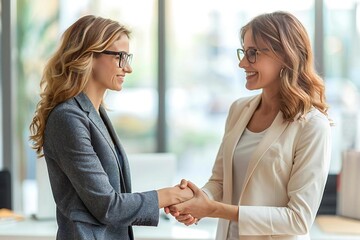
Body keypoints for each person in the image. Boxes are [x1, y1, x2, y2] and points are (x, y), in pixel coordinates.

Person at [166, 11, 332, 240]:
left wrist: (213, 209)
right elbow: (219, 181)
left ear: (285, 55)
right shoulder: (238, 109)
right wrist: (197, 200)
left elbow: (299, 219)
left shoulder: (312, 126)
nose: (242, 63)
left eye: (253, 53)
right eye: (244, 52)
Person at [29, 15, 193, 240]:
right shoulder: (68, 118)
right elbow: (108, 206)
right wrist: (170, 195)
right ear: (89, 55)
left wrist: (171, 198)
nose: (128, 68)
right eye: (120, 57)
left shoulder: (96, 113)